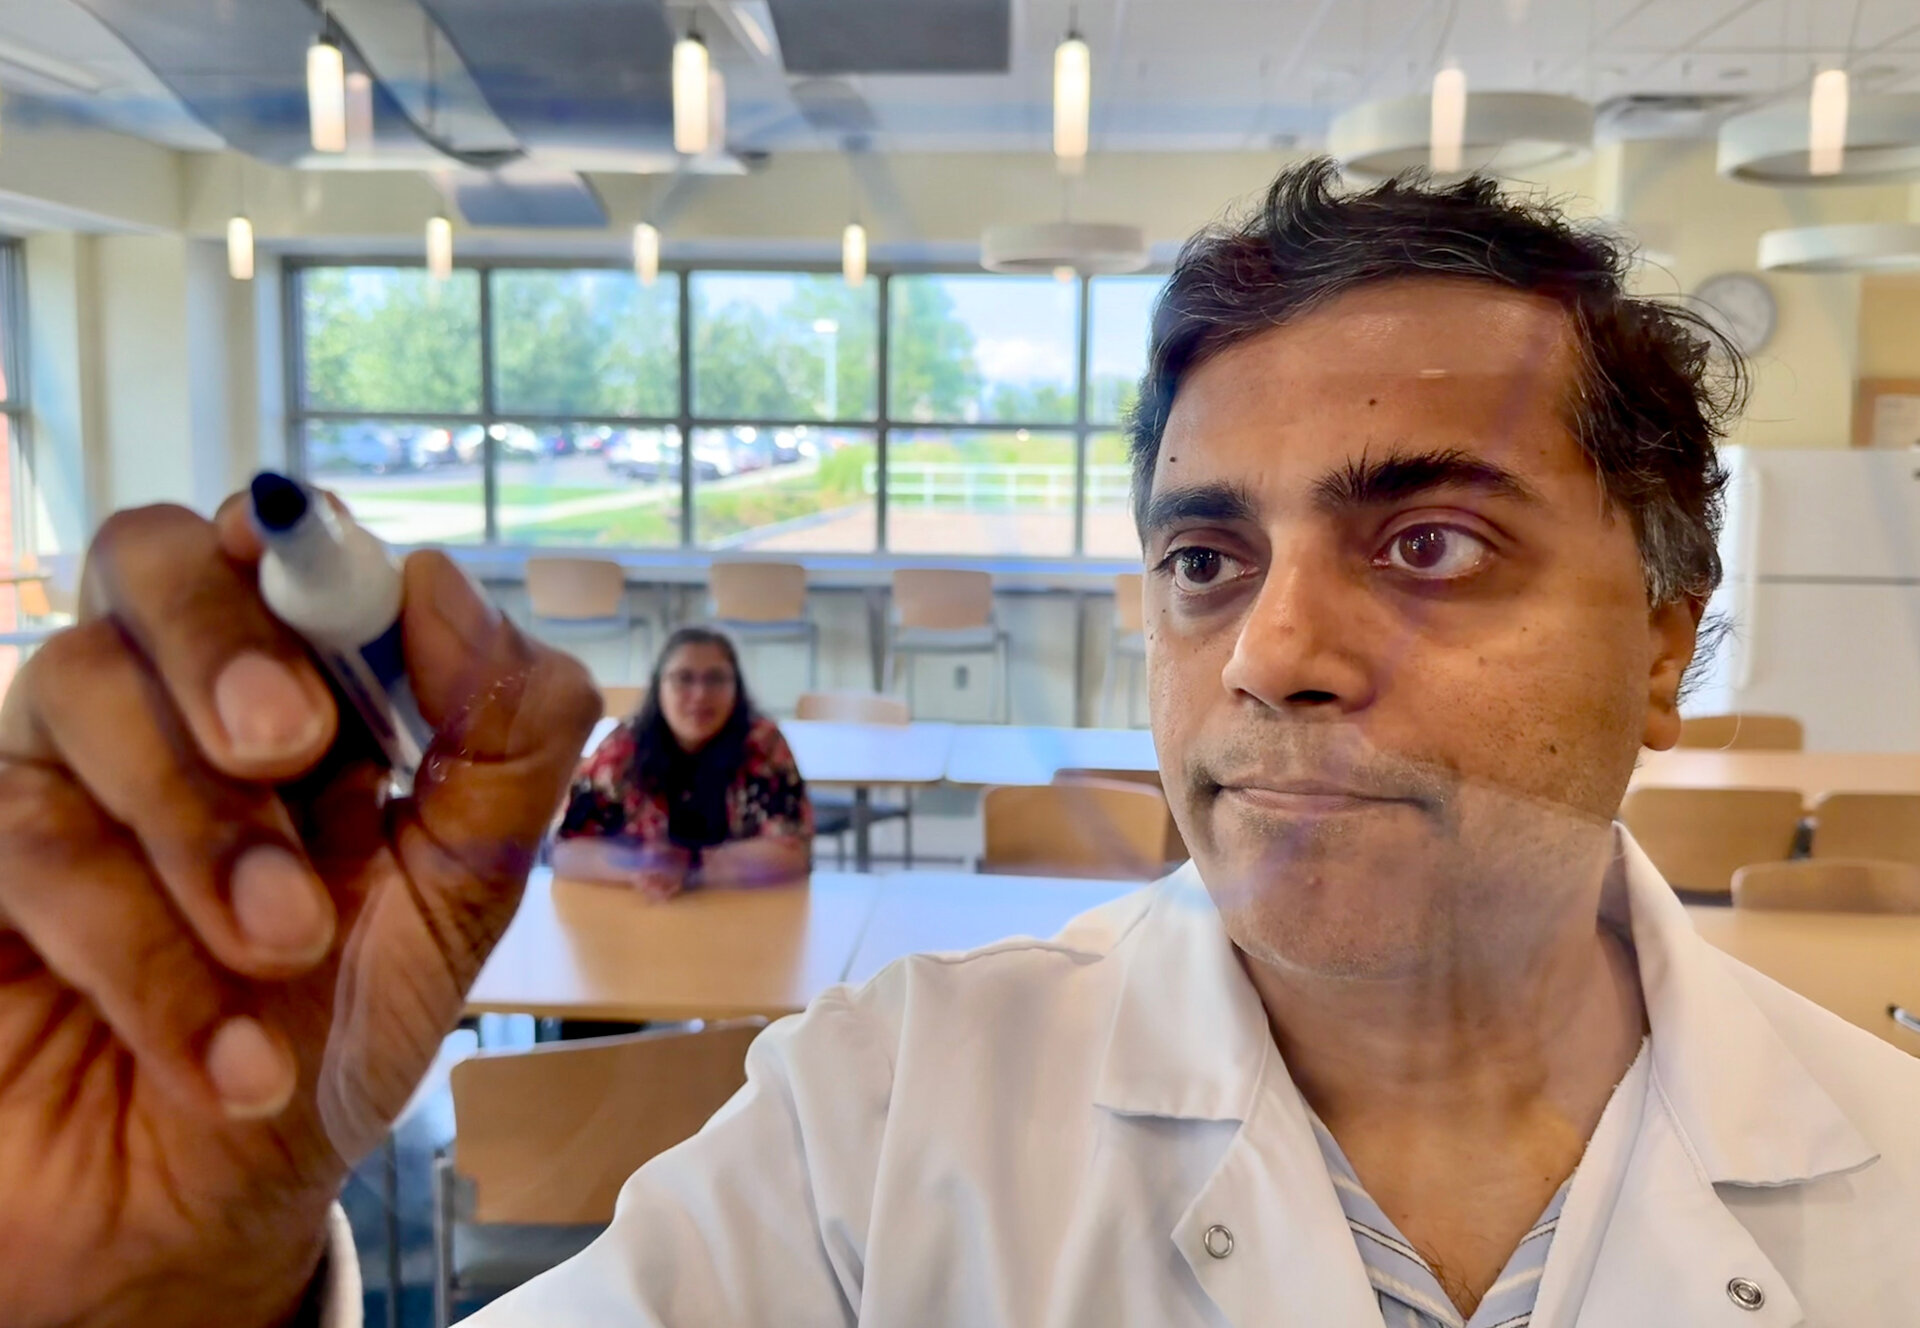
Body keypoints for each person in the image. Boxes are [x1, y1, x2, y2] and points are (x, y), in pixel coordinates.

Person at [1, 161, 1916, 1328]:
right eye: (1204, 557)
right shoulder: (878, 1120)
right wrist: (171, 1293)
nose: (1272, 650)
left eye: (1429, 540)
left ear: (1665, 635)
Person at [552, 626, 813, 898]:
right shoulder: (622, 749)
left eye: (716, 679)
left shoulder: (762, 745)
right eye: (683, 679)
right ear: (658, 686)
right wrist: (640, 870)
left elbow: (793, 853)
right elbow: (567, 851)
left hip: (743, 906)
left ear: (736, 687)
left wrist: (692, 865)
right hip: (644, 910)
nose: (700, 694)